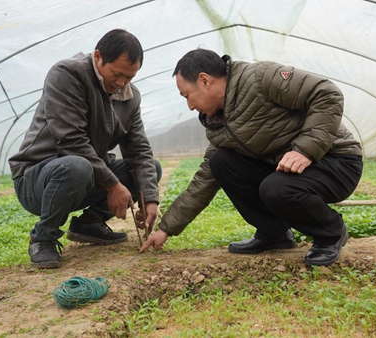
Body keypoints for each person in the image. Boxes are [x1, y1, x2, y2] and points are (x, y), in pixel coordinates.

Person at [141, 48, 363, 267]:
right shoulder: (218, 126)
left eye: (187, 95)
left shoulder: (259, 78)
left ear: (205, 80)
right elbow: (204, 182)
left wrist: (305, 150)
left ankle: (331, 234)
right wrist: (166, 229)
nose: (189, 106)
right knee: (220, 161)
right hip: (291, 171)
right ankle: (274, 233)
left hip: (337, 160)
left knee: (275, 187)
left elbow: (326, 93)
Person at [9, 29, 161, 269]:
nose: (121, 83)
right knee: (76, 165)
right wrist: (113, 185)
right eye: (117, 74)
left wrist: (150, 199)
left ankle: (90, 223)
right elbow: (71, 141)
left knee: (149, 168)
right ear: (98, 57)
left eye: (129, 78)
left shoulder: (129, 96)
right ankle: (43, 237)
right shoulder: (67, 74)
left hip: (86, 175)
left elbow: (139, 150)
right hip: (37, 177)